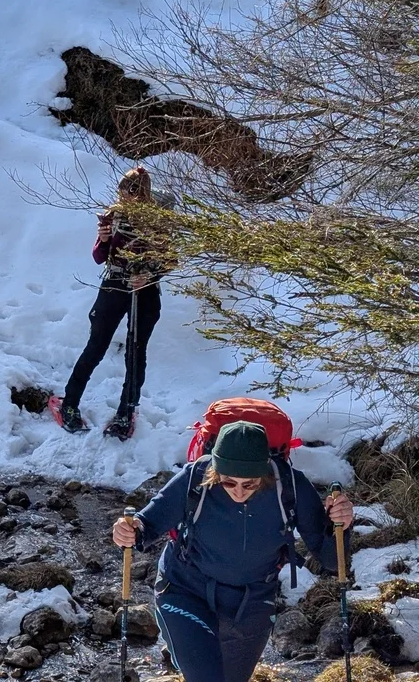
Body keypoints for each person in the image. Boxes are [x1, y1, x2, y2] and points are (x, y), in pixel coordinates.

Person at [112, 421, 355, 682]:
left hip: (253, 601)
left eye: (249, 484)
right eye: (228, 482)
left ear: (265, 473)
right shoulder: (195, 478)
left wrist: (341, 524)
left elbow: (331, 560)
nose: (238, 491)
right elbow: (145, 526)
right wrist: (128, 530)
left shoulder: (290, 488)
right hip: (185, 590)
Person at [55, 166, 174, 439]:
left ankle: (126, 410)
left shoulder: (158, 220)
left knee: (136, 350)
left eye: (130, 194)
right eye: (122, 193)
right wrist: (105, 239)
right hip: (114, 284)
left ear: (142, 195)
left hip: (145, 289)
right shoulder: (113, 214)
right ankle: (70, 402)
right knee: (96, 344)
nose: (125, 199)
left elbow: (170, 259)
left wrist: (148, 275)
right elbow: (99, 256)